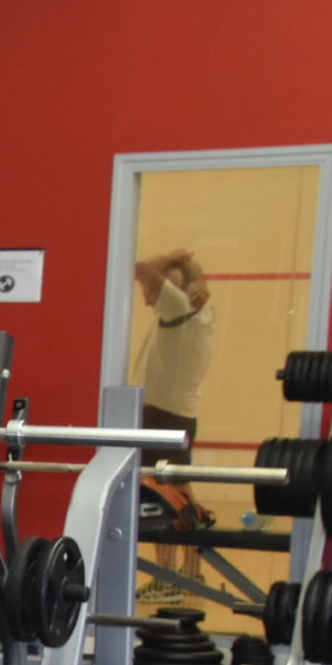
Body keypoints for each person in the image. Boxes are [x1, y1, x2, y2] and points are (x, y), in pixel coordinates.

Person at [134, 249, 215, 591]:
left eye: (152, 292)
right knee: (178, 496)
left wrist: (170, 259)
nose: (147, 299)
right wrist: (191, 271)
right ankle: (188, 573)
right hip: (174, 417)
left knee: (164, 498)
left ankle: (166, 580)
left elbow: (142, 267)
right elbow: (187, 270)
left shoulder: (178, 307)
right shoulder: (200, 311)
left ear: (172, 290)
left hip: (163, 418)